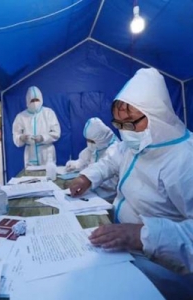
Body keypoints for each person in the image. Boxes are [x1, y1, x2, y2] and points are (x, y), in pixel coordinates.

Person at [69, 68, 193, 299]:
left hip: (165, 267)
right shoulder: (135, 142)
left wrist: (145, 235)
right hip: (125, 251)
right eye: (119, 124)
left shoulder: (184, 159)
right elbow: (110, 161)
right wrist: (87, 177)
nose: (125, 132)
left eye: (130, 122)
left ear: (156, 115)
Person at [66, 117, 120, 201]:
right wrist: (75, 165)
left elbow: (111, 180)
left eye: (92, 141)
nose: (89, 144)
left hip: (107, 197)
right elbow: (83, 160)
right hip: (90, 192)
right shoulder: (96, 147)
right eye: (88, 140)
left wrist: (88, 179)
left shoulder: (115, 150)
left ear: (102, 138)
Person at [12, 86, 61, 166]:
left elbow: (56, 133)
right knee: (31, 177)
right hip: (30, 153)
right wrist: (21, 138)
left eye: (37, 100)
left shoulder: (48, 113)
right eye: (32, 100)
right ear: (27, 101)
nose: (35, 103)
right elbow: (15, 134)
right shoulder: (21, 116)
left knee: (49, 175)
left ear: (41, 99)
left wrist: (43, 137)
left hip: (46, 152)